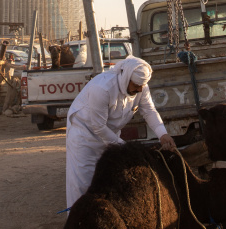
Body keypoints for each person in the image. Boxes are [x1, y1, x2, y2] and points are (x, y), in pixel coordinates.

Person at [65, 56, 176, 207]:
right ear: (126, 77)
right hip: (85, 137)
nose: (140, 89)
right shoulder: (102, 88)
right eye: (136, 85)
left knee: (108, 182)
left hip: (110, 136)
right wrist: (125, 148)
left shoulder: (141, 87)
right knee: (83, 184)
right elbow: (98, 126)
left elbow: (149, 111)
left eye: (142, 86)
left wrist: (163, 134)